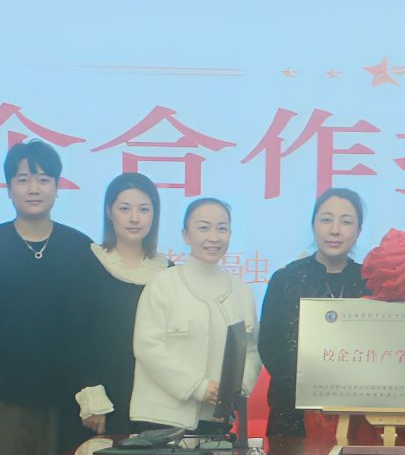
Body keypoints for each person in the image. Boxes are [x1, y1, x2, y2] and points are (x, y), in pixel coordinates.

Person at [0, 142, 95, 455]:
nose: (34, 189)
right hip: (2, 392)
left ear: (57, 188)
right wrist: (2, 350)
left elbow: (89, 320)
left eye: (44, 180)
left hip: (64, 395)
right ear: (8, 188)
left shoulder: (81, 248)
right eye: (23, 180)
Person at [133, 198, 261, 433]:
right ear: (186, 235)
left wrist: (235, 389)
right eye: (203, 228)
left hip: (216, 419)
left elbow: (252, 351)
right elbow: (147, 347)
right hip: (162, 419)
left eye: (222, 228)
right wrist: (198, 387)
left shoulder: (241, 292)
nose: (214, 237)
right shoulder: (163, 283)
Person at [258, 189, 368, 439]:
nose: (335, 230)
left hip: (356, 412)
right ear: (313, 225)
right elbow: (271, 346)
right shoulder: (285, 278)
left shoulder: (369, 281)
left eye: (346, 222)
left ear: (359, 231)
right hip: (293, 412)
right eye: (326, 219)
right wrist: (313, 387)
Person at [73, 172, 170, 440]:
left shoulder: (167, 271)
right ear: (109, 211)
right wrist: (92, 398)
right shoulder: (88, 263)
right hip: (101, 404)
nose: (135, 218)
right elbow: (75, 337)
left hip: (154, 402)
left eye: (144, 209)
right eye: (125, 209)